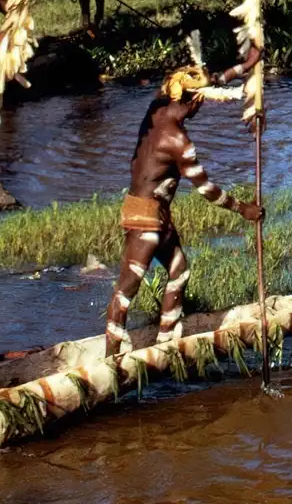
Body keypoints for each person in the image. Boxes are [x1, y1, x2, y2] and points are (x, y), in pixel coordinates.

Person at [104, 62, 263, 357]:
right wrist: (243, 209)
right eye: (201, 102)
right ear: (195, 102)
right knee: (127, 289)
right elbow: (206, 189)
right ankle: (110, 359)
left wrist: (244, 65)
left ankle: (166, 340)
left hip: (155, 216)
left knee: (180, 272)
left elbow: (208, 81)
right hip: (145, 217)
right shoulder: (178, 141)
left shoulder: (155, 110)